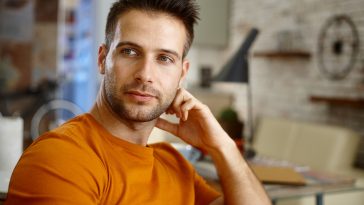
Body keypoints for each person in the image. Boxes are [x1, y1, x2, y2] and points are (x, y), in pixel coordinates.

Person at [5, 0, 271, 204]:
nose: (145, 74)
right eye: (130, 52)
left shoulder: (174, 164)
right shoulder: (60, 158)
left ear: (182, 73)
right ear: (102, 59)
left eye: (164, 58)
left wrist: (222, 146)